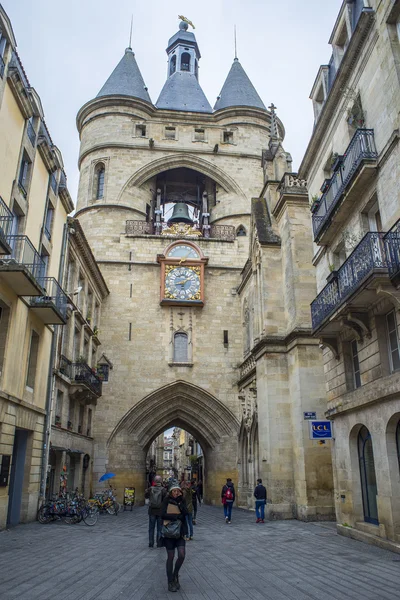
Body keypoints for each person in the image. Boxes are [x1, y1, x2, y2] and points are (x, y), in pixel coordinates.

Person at [161, 479, 188, 592]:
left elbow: (186, 513)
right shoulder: (166, 501)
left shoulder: (182, 500)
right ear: (171, 491)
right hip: (169, 533)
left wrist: (181, 503)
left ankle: (175, 574)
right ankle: (170, 581)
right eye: (174, 491)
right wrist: (175, 517)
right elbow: (162, 514)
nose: (176, 493)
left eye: (178, 491)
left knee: (181, 555)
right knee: (171, 557)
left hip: (180, 532)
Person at [145, 475, 167, 547]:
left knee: (151, 528)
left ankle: (151, 543)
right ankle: (159, 543)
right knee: (159, 528)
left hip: (152, 511)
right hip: (160, 511)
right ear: (161, 481)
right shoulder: (163, 490)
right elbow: (165, 501)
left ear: (154, 481)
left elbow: (146, 496)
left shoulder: (150, 489)